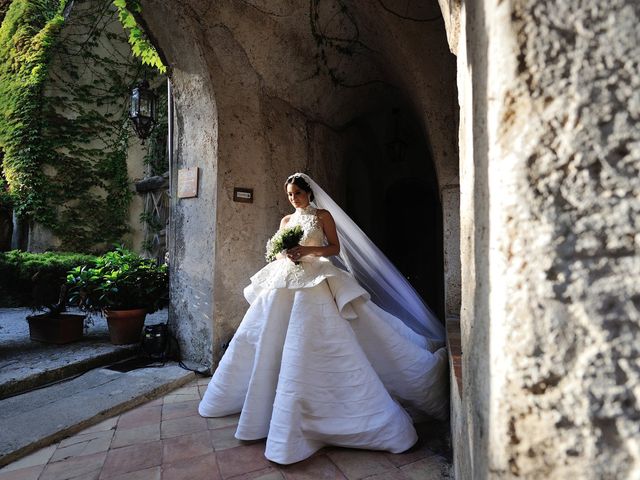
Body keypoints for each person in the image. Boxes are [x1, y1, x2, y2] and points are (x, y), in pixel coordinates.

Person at [198, 173, 448, 465]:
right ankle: (266, 402)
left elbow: (334, 249)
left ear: (309, 193)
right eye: (290, 195)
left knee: (321, 337)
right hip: (285, 281)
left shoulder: (322, 215)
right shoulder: (286, 222)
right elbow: (277, 253)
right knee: (268, 337)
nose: (293, 199)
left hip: (316, 279)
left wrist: (307, 250)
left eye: (298, 194)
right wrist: (286, 255)